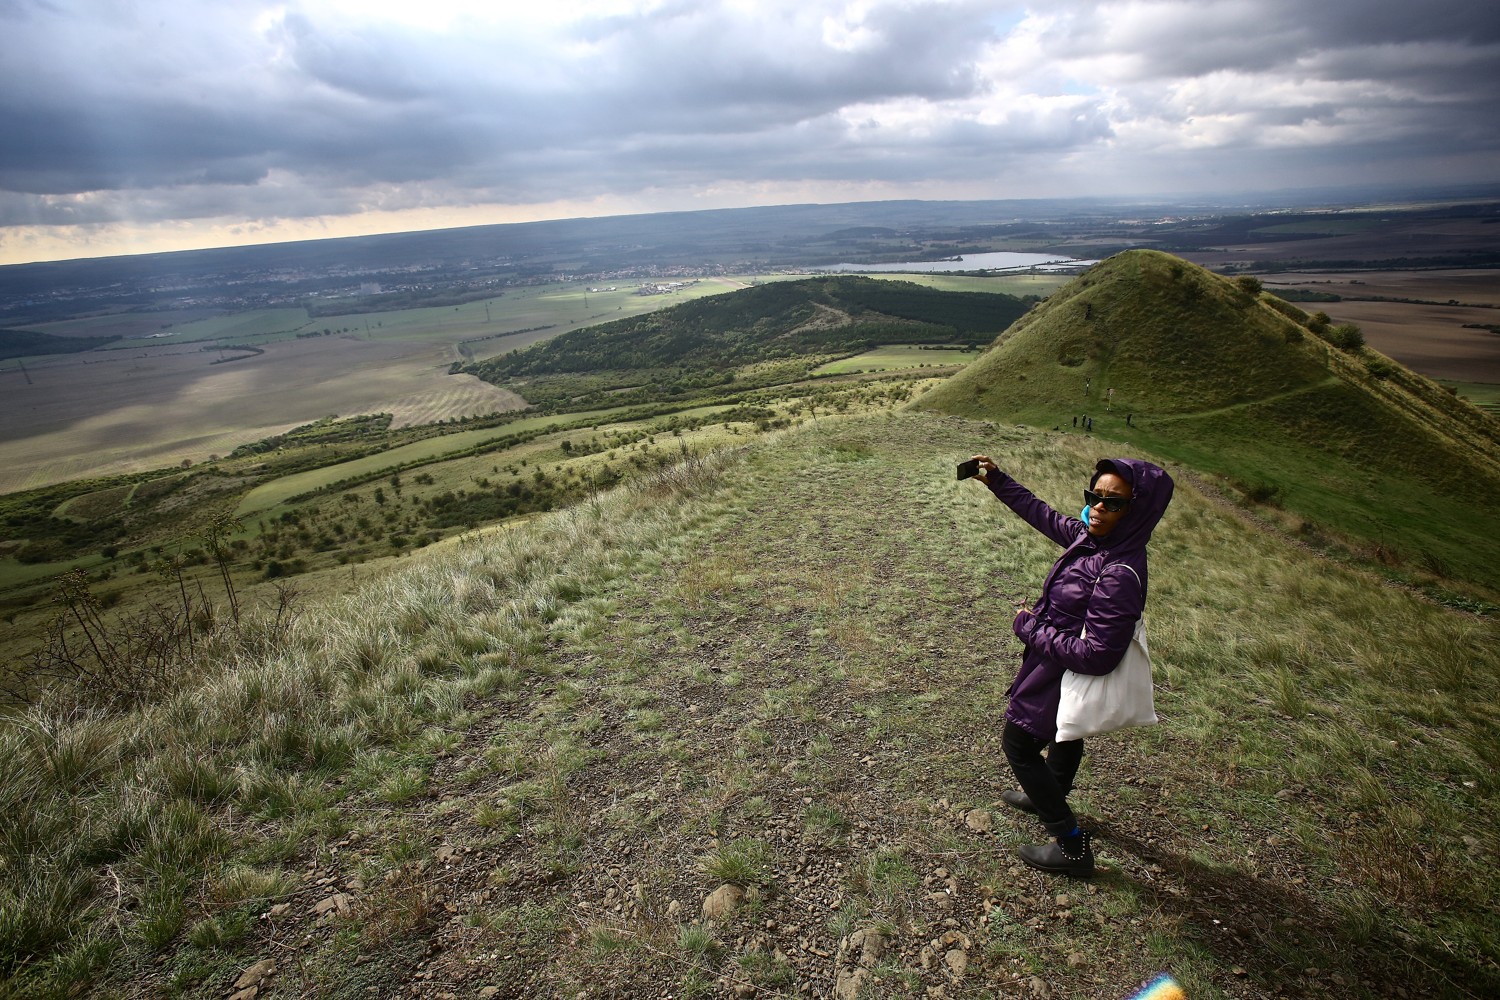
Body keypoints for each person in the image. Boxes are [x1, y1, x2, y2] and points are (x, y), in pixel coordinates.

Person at [967, 455, 1174, 876]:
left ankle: (1072, 846)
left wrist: (1028, 627)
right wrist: (997, 480)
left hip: (1062, 668)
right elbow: (1042, 514)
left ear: (1137, 510)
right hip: (1054, 662)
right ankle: (1049, 791)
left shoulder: (1118, 572)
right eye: (1094, 497)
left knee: (1019, 745)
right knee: (1067, 729)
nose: (1098, 508)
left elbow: (1098, 655)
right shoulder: (1091, 539)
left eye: (1114, 502)